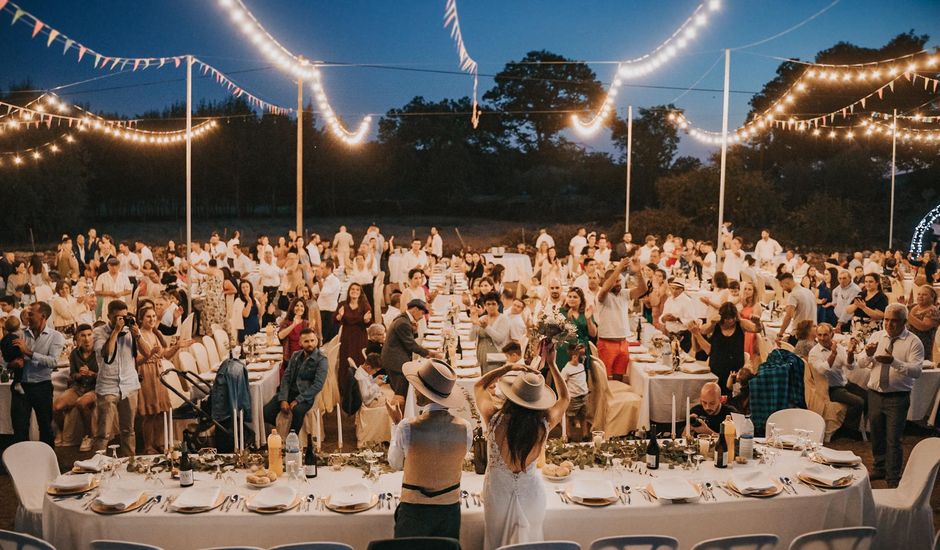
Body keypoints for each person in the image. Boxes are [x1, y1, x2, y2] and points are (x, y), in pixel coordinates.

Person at [474, 357, 568, 549]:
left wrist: (506, 368)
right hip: (532, 496)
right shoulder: (544, 424)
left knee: (496, 543)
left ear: (511, 396)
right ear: (538, 401)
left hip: (497, 496)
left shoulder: (493, 418)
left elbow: (478, 386)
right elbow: (565, 399)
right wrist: (552, 365)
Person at [384, 358, 470, 539]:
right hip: (449, 511)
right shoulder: (465, 428)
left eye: (417, 387)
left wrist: (395, 425)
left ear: (425, 393)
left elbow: (395, 463)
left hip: (414, 511)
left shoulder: (407, 426)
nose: (414, 390)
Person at [855, 303, 924, 487]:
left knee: (893, 439)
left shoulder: (913, 342)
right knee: (876, 435)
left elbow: (916, 371)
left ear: (904, 322)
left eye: (894, 321)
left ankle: (893, 477)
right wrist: (868, 355)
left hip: (897, 397)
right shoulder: (877, 336)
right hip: (875, 394)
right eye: (886, 319)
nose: (888, 324)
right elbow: (861, 363)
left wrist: (894, 361)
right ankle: (879, 468)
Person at [9, 302, 64, 446]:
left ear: (43, 316)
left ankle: (48, 463)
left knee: (45, 428)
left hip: (42, 387)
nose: (27, 316)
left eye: (31, 313)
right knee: (20, 430)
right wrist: (12, 364)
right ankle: (22, 465)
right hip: (20, 387)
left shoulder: (55, 336)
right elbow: (5, 361)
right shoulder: (20, 334)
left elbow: (53, 362)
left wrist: (28, 352)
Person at [136, 306, 189, 454]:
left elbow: (165, 355)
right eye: (148, 317)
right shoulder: (138, 335)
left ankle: (159, 442)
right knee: (150, 412)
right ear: (141, 319)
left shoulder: (154, 334)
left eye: (154, 316)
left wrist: (178, 346)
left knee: (161, 411)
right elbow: (136, 360)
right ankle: (148, 446)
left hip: (158, 372)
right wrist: (149, 355)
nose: (152, 319)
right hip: (146, 373)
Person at [93, 300, 141, 455]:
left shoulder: (129, 332)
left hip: (129, 385)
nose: (121, 320)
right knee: (103, 433)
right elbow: (106, 353)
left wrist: (137, 334)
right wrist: (115, 331)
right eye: (117, 317)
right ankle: (98, 467)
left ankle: (130, 464)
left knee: (129, 431)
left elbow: (148, 353)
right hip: (108, 386)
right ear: (109, 316)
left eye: (124, 317)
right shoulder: (99, 332)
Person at [263, 328, 329, 434]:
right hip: (290, 392)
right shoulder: (296, 356)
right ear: (300, 343)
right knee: (266, 412)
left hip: (306, 395)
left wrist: (298, 400)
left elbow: (318, 385)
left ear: (316, 341)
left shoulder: (321, 359)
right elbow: (286, 378)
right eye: (306, 341)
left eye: (312, 340)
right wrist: (284, 398)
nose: (310, 344)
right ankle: (282, 431)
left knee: (297, 411)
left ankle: (292, 438)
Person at [690, 303, 762, 397]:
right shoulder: (716, 325)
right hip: (717, 367)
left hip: (735, 369)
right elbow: (702, 330)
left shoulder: (740, 324)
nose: (730, 321)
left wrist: (757, 323)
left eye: (732, 318)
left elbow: (756, 329)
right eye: (727, 319)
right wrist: (712, 323)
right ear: (722, 318)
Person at [809, 323, 866, 439]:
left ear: (832, 334)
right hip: (829, 389)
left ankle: (865, 428)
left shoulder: (839, 348)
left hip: (844, 384)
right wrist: (833, 354)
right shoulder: (814, 352)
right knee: (858, 402)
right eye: (819, 335)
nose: (822, 338)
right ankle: (848, 430)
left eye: (825, 335)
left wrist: (850, 352)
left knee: (869, 396)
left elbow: (850, 366)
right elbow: (822, 370)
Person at [595, 256, 646, 380]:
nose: (618, 283)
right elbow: (606, 286)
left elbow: (643, 289)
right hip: (606, 343)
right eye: (615, 281)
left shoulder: (624, 293)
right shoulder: (602, 295)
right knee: (605, 379)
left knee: (619, 377)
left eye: (619, 280)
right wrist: (618, 268)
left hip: (623, 342)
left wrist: (639, 271)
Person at [53, 324, 98, 451]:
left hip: (94, 388)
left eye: (89, 335)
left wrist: (91, 374)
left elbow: (105, 376)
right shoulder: (74, 354)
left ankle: (88, 436)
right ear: (78, 338)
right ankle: (61, 431)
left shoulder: (99, 352)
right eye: (83, 336)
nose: (87, 339)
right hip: (78, 387)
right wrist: (79, 374)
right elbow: (72, 375)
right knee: (57, 407)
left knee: (81, 403)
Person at [382, 299, 439, 397]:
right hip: (395, 362)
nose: (421, 317)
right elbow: (411, 345)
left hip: (394, 357)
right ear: (415, 309)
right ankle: (401, 410)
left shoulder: (403, 319)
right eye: (422, 313)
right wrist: (430, 354)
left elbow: (406, 339)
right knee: (402, 393)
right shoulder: (403, 322)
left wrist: (414, 331)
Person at [336, 282, 372, 395]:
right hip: (346, 337)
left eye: (357, 289)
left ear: (360, 292)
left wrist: (366, 320)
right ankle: (344, 388)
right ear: (349, 291)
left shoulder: (365, 305)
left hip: (359, 337)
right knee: (345, 362)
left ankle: (359, 389)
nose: (355, 291)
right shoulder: (343, 304)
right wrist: (340, 316)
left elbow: (369, 323)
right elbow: (336, 320)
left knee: (359, 361)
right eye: (352, 289)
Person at [555, 287, 596, 369]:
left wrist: (588, 319)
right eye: (569, 296)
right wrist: (568, 320)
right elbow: (557, 334)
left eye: (575, 297)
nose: (571, 299)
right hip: (565, 350)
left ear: (581, 300)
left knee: (579, 377)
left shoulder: (586, 312)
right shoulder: (561, 312)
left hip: (582, 350)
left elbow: (593, 334)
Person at [775, 273, 816, 345]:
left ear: (787, 282)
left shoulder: (793, 294)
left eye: (782, 286)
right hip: (812, 333)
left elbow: (788, 316)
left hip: (800, 334)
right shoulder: (809, 292)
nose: (783, 289)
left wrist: (780, 334)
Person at [561, 343, 590, 442]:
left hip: (584, 396)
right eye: (578, 356)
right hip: (574, 397)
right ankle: (568, 435)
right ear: (573, 357)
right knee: (569, 416)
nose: (581, 358)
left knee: (584, 416)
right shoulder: (566, 370)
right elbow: (563, 382)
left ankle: (585, 434)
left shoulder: (581, 366)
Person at [660, 279, 696, 352]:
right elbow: (662, 316)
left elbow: (692, 320)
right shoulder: (669, 300)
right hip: (670, 335)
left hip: (683, 336)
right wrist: (664, 318)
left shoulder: (687, 301)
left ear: (682, 289)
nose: (674, 291)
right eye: (672, 288)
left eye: (677, 289)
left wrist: (677, 319)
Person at [278, 297, 310, 378]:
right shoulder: (286, 323)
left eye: (302, 306)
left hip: (304, 360)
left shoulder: (306, 323)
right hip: (289, 360)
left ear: (304, 309)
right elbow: (281, 336)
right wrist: (294, 324)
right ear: (292, 307)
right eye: (297, 305)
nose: (299, 308)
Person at [906, 285, 939, 362]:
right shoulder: (914, 307)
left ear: (932, 297)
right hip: (909, 343)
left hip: (923, 345)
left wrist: (908, 315)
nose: (920, 296)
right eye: (919, 294)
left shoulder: (933, 310)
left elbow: (923, 326)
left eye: (924, 294)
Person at [316, 260, 341, 342]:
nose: (319, 270)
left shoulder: (334, 281)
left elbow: (324, 293)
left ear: (329, 269)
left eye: (322, 268)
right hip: (322, 312)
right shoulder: (325, 280)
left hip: (329, 314)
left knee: (327, 340)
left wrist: (319, 280)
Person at [832, 269, 861, 334]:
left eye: (844, 278)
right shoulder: (840, 286)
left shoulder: (855, 290)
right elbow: (834, 292)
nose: (842, 281)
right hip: (838, 317)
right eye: (840, 278)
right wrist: (834, 303)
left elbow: (847, 308)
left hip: (848, 321)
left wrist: (839, 324)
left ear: (850, 278)